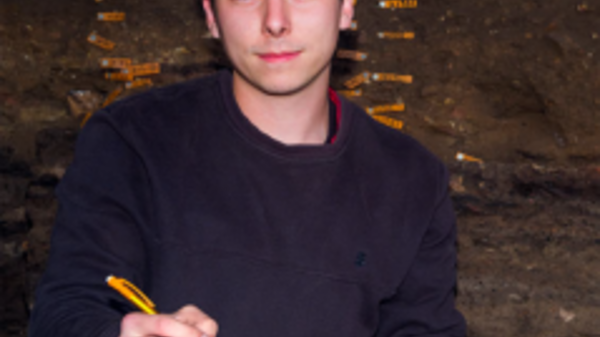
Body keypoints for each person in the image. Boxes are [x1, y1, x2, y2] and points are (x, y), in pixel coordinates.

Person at [29, 0, 466, 336]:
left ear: (346, 7)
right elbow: (67, 306)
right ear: (211, 15)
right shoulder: (130, 141)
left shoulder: (412, 180)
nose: (275, 21)